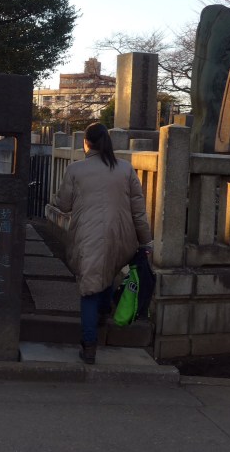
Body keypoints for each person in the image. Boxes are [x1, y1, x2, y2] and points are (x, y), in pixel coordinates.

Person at [55, 123, 152, 364]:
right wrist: (145, 241)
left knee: (89, 288)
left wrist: (58, 198)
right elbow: (138, 210)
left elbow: (64, 205)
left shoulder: (75, 170)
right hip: (120, 236)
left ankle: (89, 345)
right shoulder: (125, 169)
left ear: (86, 142)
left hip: (86, 236)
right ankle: (104, 311)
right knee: (107, 271)